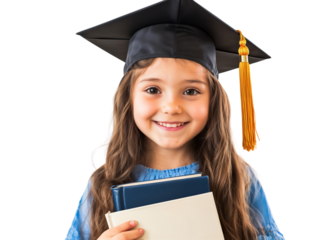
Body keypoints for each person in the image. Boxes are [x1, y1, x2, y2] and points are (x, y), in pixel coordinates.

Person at [66, 0, 284, 239]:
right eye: (152, 90)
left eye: (191, 91)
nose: (171, 107)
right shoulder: (100, 185)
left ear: (213, 101)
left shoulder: (239, 180)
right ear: (128, 98)